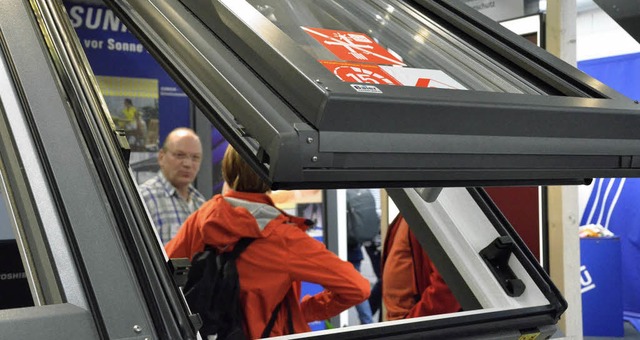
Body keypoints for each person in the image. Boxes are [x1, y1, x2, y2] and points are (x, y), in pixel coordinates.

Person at [165, 145, 370, 338]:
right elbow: (357, 287)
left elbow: (164, 272)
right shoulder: (284, 237)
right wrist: (304, 311)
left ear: (227, 168)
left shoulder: (200, 219)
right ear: (272, 175)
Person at [382, 214, 461, 321]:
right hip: (403, 320)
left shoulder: (430, 211)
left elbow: (449, 281)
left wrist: (415, 322)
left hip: (416, 321)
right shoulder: (408, 210)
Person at [139, 127, 206, 244]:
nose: (188, 164)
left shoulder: (201, 204)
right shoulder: (144, 199)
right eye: (180, 155)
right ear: (161, 157)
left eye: (195, 157)